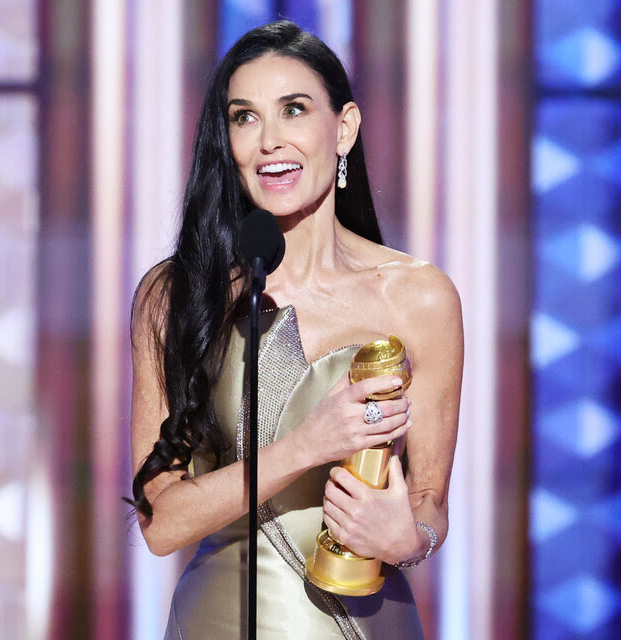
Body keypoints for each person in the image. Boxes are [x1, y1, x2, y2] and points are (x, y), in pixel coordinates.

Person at [128, 20, 463, 640]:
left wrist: (411, 539)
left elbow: (430, 501)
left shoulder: (420, 297)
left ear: (344, 128)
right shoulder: (175, 295)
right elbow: (161, 524)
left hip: (364, 619)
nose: (269, 142)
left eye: (294, 110)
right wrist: (306, 447)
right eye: (245, 117)